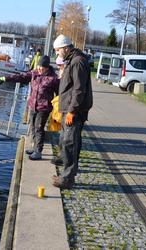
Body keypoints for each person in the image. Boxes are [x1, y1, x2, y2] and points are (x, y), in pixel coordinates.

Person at [0, 55, 59, 160]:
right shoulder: (34, 74)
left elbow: (59, 93)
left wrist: (57, 106)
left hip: (44, 107)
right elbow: (21, 77)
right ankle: (34, 147)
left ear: (47, 68)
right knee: (33, 127)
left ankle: (38, 151)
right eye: (38, 67)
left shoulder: (53, 79)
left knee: (39, 128)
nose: (39, 69)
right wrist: (5, 78)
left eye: (42, 68)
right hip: (33, 105)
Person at [52, 34, 93, 189]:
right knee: (68, 142)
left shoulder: (77, 61)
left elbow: (78, 89)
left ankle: (68, 178)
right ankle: (66, 174)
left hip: (74, 111)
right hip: (69, 108)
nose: (57, 54)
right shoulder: (72, 60)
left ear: (65, 48)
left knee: (70, 143)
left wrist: (72, 111)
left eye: (57, 51)